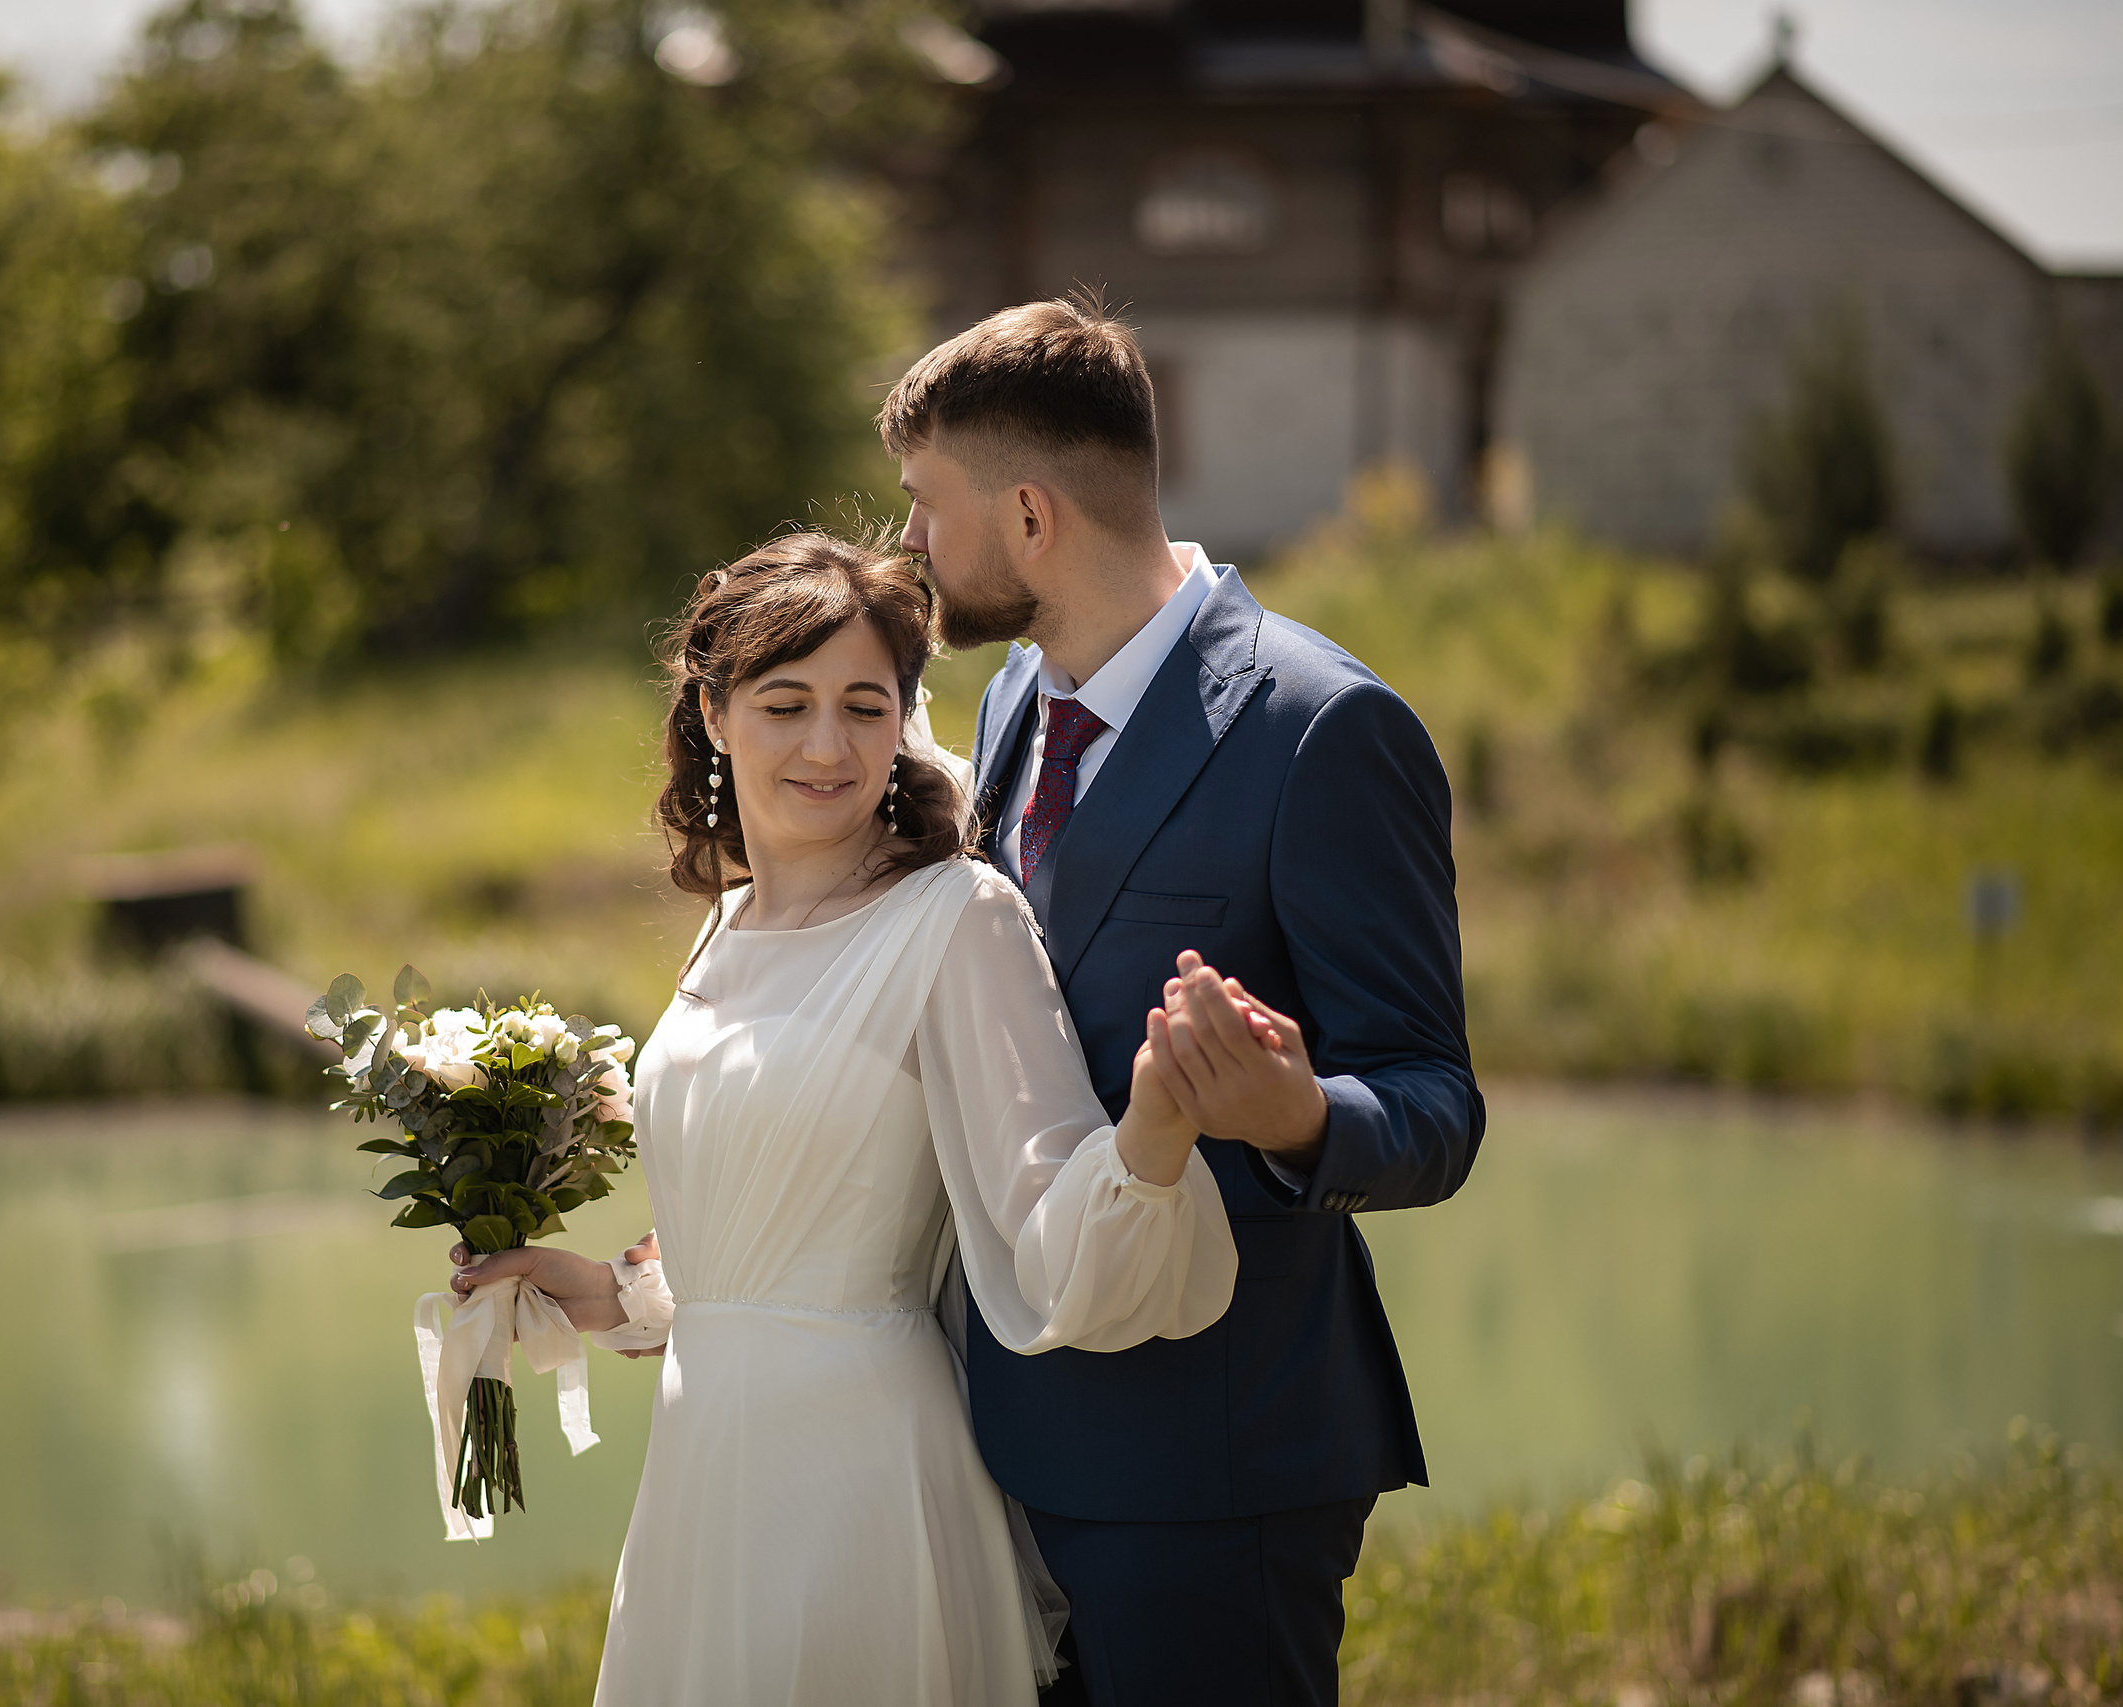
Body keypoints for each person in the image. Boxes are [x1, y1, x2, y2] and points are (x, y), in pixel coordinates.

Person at [447, 532, 1270, 1706]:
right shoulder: (723, 923)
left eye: (863, 706)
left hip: (860, 1474)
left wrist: (1154, 1126)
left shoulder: (956, 919)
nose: (827, 746)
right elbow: (778, 1232)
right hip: (703, 1470)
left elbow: (1042, 1210)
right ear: (714, 715)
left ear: (903, 720)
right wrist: (615, 1294)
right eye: (785, 705)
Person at [882, 293, 1484, 1706]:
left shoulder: (1323, 729)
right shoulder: (1012, 697)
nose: (908, 543)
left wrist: (1295, 1113)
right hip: (1000, 1438)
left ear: (1031, 516)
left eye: (925, 505)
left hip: (1212, 1470)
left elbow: (1434, 1104)